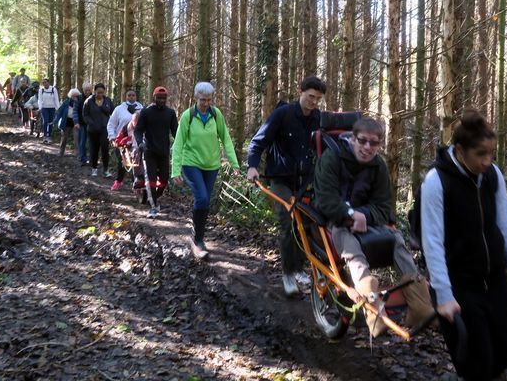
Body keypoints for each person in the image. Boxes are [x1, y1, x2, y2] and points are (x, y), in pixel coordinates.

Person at [421, 109, 507, 381]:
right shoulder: (436, 182)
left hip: (492, 281)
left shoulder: (492, 175)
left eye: (491, 153)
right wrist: (444, 295)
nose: (487, 160)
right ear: (460, 150)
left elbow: (505, 226)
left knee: (503, 355)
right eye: (480, 154)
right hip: (460, 286)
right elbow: (432, 241)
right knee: (477, 363)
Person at [313, 117, 435, 337]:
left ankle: (420, 306)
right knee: (351, 248)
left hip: (369, 222)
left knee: (397, 239)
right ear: (353, 139)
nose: (368, 147)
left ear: (380, 144)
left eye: (374, 143)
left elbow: (382, 204)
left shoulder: (378, 166)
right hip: (337, 222)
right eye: (363, 141)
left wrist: (365, 215)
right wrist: (351, 215)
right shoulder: (331, 159)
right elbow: (326, 199)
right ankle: (373, 313)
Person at [246, 76, 326, 296]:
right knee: (287, 221)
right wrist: (252, 167)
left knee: (308, 224)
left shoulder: (318, 119)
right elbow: (257, 142)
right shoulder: (283, 114)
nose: (313, 102)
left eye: (318, 99)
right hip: (280, 179)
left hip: (305, 182)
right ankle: (288, 274)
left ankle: (301, 268)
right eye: (310, 97)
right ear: (300, 91)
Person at [171, 82, 239, 260]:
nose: (206, 103)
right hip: (191, 163)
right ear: (196, 98)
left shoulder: (216, 115)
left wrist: (234, 163)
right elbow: (178, 144)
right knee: (201, 198)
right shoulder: (188, 116)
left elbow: (226, 139)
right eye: (203, 100)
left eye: (209, 100)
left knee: (205, 201)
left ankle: (197, 235)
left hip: (211, 165)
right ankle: (198, 241)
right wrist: (175, 170)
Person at [135, 86, 179, 217]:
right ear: (154, 97)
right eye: (159, 98)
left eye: (164, 98)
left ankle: (153, 196)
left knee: (164, 180)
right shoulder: (146, 112)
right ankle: (153, 207)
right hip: (149, 151)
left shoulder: (170, 113)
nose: (161, 100)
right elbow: (138, 130)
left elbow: (176, 132)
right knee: (151, 180)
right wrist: (140, 143)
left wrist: (182, 145)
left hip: (164, 151)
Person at [107, 89, 143, 191]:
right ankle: (118, 181)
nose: (131, 97)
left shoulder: (141, 108)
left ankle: (136, 184)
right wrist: (112, 136)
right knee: (122, 163)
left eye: (133, 95)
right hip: (122, 140)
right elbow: (111, 124)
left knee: (136, 164)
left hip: (137, 141)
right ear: (125, 96)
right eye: (129, 95)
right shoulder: (119, 109)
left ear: (136, 97)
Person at [82, 83, 114, 177]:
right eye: (98, 92)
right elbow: (85, 114)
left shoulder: (108, 101)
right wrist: (90, 122)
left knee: (105, 149)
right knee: (94, 149)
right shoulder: (89, 101)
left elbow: (113, 112)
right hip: (92, 130)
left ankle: (105, 170)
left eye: (102, 92)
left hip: (104, 129)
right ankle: (94, 168)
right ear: (94, 91)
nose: (100, 94)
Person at [55, 88, 81, 157]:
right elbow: (60, 111)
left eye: (76, 96)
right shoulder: (66, 102)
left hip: (75, 122)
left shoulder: (79, 103)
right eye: (73, 96)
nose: (74, 97)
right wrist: (56, 120)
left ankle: (77, 154)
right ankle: (61, 152)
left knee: (77, 138)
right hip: (66, 122)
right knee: (64, 138)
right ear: (70, 95)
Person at [74, 82, 93, 166]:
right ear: (83, 90)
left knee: (92, 142)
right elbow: (75, 111)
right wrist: (76, 122)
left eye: (89, 90)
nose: (87, 92)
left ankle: (92, 159)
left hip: (92, 124)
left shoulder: (94, 98)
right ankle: (83, 158)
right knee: (82, 141)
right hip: (82, 123)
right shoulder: (78, 98)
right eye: (85, 90)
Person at [37, 78, 60, 143]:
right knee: (45, 120)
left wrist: (58, 108)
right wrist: (40, 107)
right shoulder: (41, 90)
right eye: (43, 83)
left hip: (52, 108)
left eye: (45, 82)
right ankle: (45, 136)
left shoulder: (53, 89)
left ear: (48, 83)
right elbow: (40, 99)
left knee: (50, 122)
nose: (44, 84)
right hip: (44, 108)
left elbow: (56, 99)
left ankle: (49, 136)